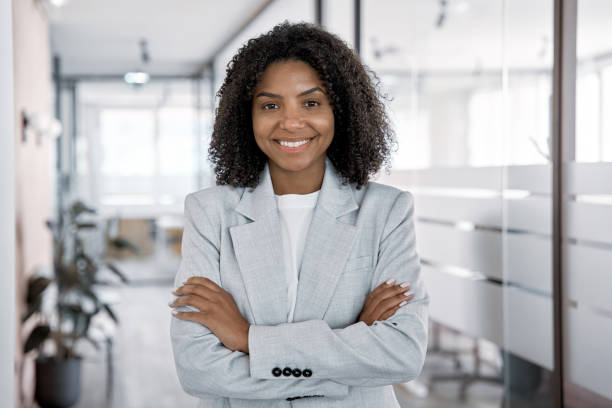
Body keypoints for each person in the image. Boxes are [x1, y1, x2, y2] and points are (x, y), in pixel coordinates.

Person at [169, 21, 429, 407]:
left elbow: (403, 353)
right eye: (270, 105)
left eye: (311, 103)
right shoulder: (209, 213)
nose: (291, 122)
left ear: (340, 110)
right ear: (247, 116)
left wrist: (246, 339)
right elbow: (198, 369)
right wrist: (352, 346)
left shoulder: (387, 210)